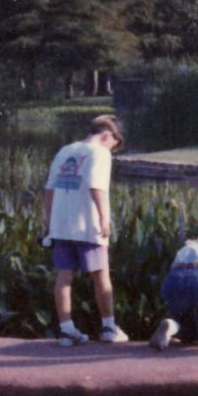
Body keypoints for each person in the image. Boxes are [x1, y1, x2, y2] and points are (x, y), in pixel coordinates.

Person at [41, 113, 128, 345]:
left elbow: (49, 189)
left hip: (61, 224)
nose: (112, 150)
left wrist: (48, 222)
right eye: (114, 145)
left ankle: (67, 330)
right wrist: (104, 219)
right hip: (87, 224)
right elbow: (95, 186)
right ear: (107, 136)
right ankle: (109, 327)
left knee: (64, 276)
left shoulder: (64, 151)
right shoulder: (99, 152)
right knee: (101, 275)